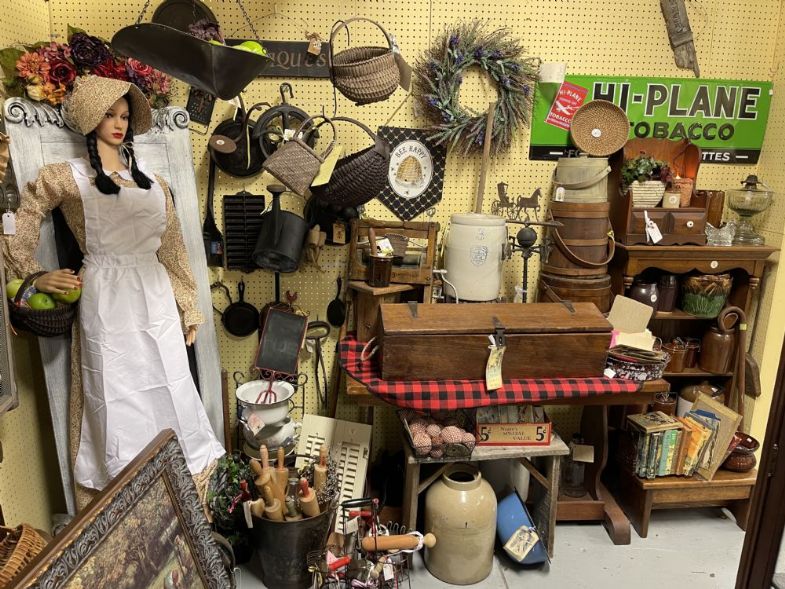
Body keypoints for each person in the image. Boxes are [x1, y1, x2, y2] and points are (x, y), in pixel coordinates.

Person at [3, 75, 225, 507]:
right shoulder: (66, 177)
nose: (119, 123)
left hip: (156, 297)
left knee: (172, 385)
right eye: (109, 114)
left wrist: (189, 305)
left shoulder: (155, 184)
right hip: (106, 297)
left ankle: (182, 497)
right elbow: (19, 221)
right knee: (114, 391)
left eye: (124, 115)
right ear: (91, 117)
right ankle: (123, 502)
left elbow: (173, 249)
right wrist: (34, 277)